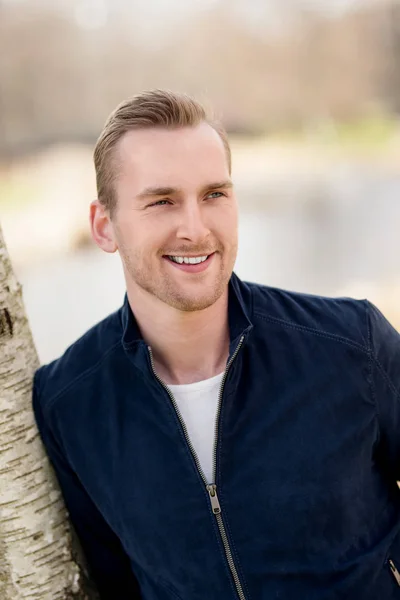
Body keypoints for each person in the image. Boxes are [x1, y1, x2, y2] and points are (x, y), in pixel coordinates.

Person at [32, 89, 400, 600]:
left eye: (214, 195)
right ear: (104, 225)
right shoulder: (68, 403)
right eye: (162, 201)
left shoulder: (350, 345)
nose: (195, 227)